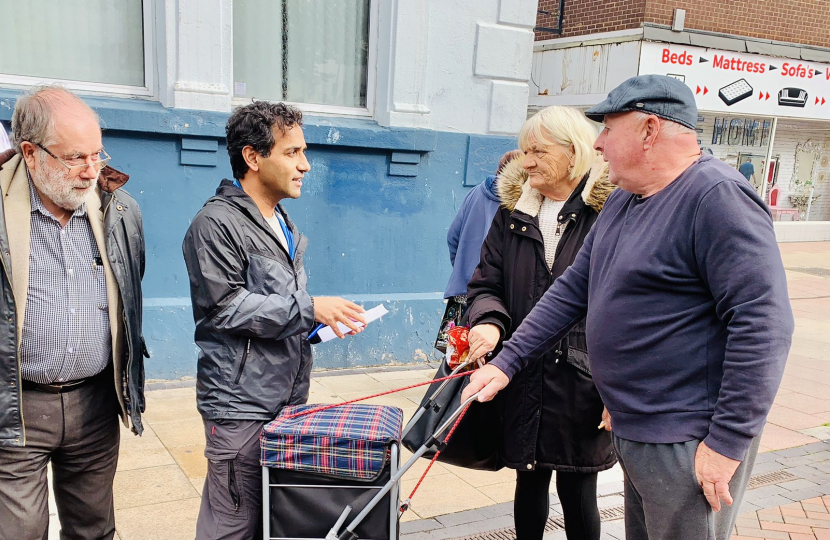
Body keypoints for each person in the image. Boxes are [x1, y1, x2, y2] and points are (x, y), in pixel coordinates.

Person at [462, 75, 793, 540]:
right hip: (635, 427)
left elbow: (764, 324)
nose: (597, 144)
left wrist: (728, 441)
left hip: (687, 435)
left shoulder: (716, 197)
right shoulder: (624, 201)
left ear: (649, 130)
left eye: (608, 129)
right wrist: (509, 363)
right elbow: (572, 290)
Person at [183, 101, 368, 540]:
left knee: (273, 521)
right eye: (292, 153)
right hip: (239, 408)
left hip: (286, 403)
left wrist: (317, 326)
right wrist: (309, 309)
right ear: (253, 157)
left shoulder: (280, 221)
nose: (304, 165)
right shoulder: (215, 224)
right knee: (232, 526)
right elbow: (225, 307)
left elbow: (273, 310)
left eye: (303, 152)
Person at [0, 86, 148, 540]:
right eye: (75, 158)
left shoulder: (118, 210)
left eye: (97, 154)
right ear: (30, 152)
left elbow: (129, 296)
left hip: (95, 405)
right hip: (15, 409)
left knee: (94, 529)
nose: (91, 171)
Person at [465, 107, 615, 540]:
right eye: (525, 150)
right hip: (523, 372)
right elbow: (485, 282)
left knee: (578, 484)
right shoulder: (512, 212)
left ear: (574, 153)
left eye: (538, 151)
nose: (525, 161)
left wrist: (619, 387)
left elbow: (627, 308)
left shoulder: (604, 213)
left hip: (584, 378)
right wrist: (489, 322)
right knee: (527, 477)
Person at [437, 149, 522, 350]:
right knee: (483, 359)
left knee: (451, 359)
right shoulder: (516, 202)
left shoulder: (476, 191)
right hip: (493, 300)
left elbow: (453, 237)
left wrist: (461, 268)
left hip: (460, 291)